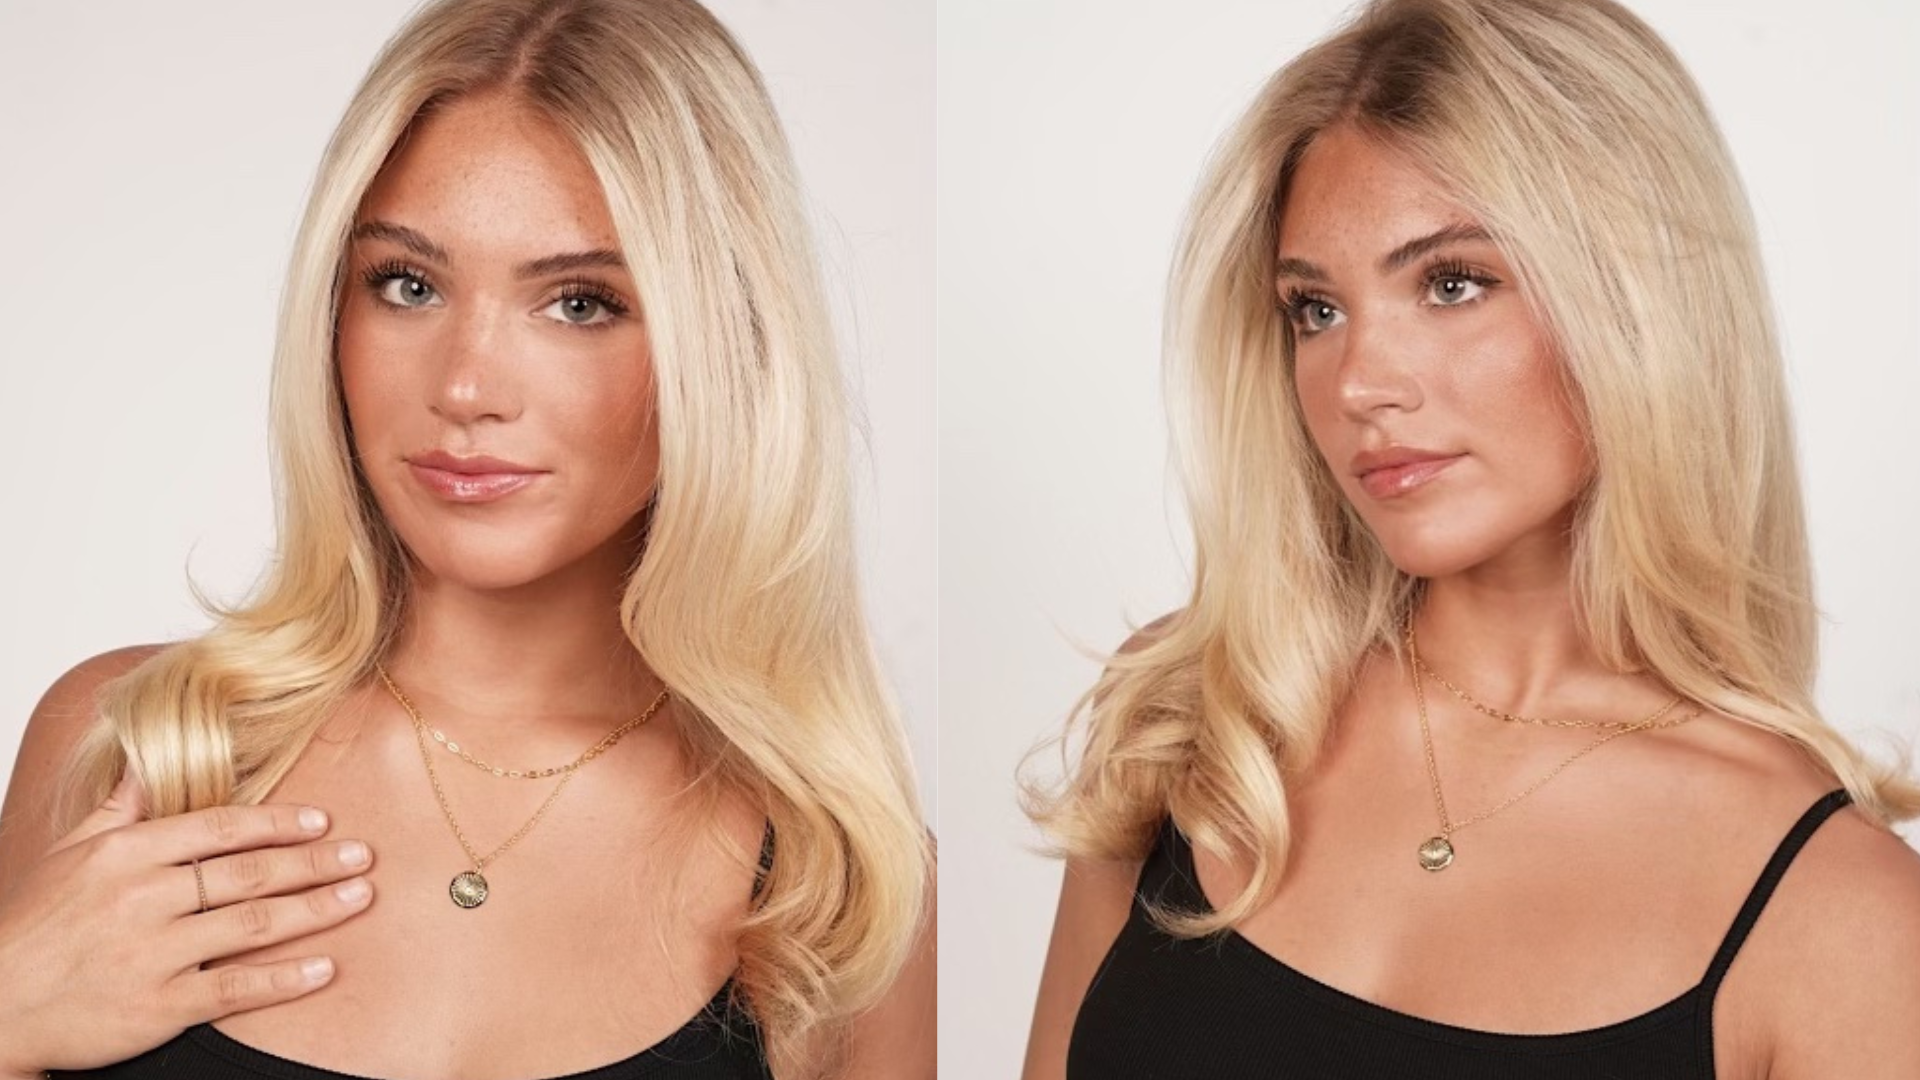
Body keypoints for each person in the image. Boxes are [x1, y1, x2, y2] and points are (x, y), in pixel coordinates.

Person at [0, 2, 934, 1078]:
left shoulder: (835, 885)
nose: (465, 386)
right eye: (408, 285)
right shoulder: (130, 749)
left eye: (579, 303)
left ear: (725, 345)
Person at [1018, 0, 1920, 1077]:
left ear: (1636, 307)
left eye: (1452, 284)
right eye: (1315, 310)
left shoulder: (1842, 920)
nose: (1359, 382)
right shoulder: (1199, 717)